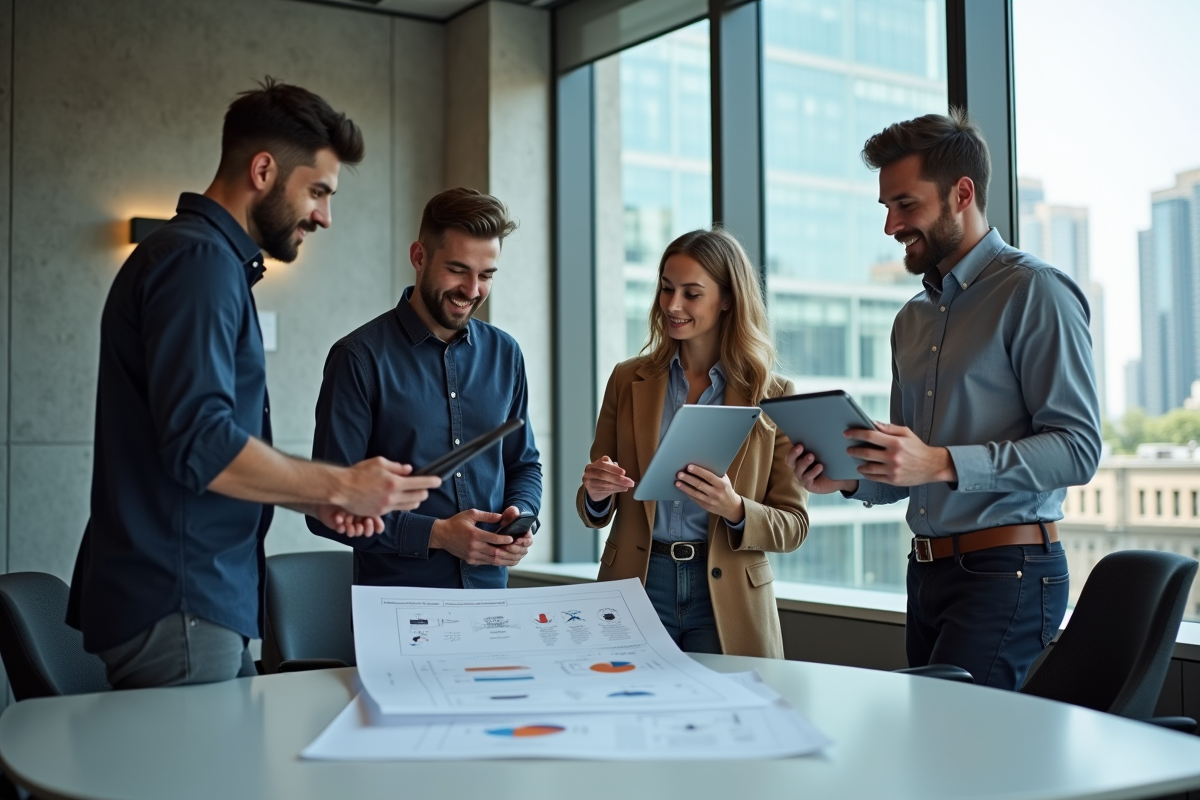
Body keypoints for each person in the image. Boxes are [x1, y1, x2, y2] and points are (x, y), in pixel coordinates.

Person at [66, 79, 441, 689]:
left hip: (190, 600)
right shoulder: (199, 264)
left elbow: (201, 451)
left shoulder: (196, 259)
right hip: (182, 599)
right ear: (264, 170)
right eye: (317, 190)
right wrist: (342, 481)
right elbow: (202, 444)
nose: (324, 215)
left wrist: (318, 498)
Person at [787, 110, 1102, 690]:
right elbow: (910, 466)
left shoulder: (1034, 292)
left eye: (905, 205)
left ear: (962, 193)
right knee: (938, 749)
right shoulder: (911, 319)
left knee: (960, 758)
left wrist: (939, 461)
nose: (890, 226)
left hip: (1008, 569)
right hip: (926, 571)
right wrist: (851, 478)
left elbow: (1078, 450)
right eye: (885, 208)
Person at [577, 228, 808, 658]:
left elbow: (794, 525)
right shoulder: (628, 380)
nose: (672, 305)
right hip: (638, 581)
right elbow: (593, 506)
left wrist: (734, 508)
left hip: (727, 593)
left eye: (691, 293)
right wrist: (594, 493)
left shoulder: (773, 394)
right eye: (666, 289)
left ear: (727, 299)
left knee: (727, 719)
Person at [307, 188, 542, 588]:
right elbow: (325, 509)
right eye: (457, 270)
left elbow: (523, 465)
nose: (472, 290)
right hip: (398, 614)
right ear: (419, 257)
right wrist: (437, 535)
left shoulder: (506, 354)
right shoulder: (357, 358)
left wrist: (519, 515)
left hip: (490, 604)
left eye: (485, 275)